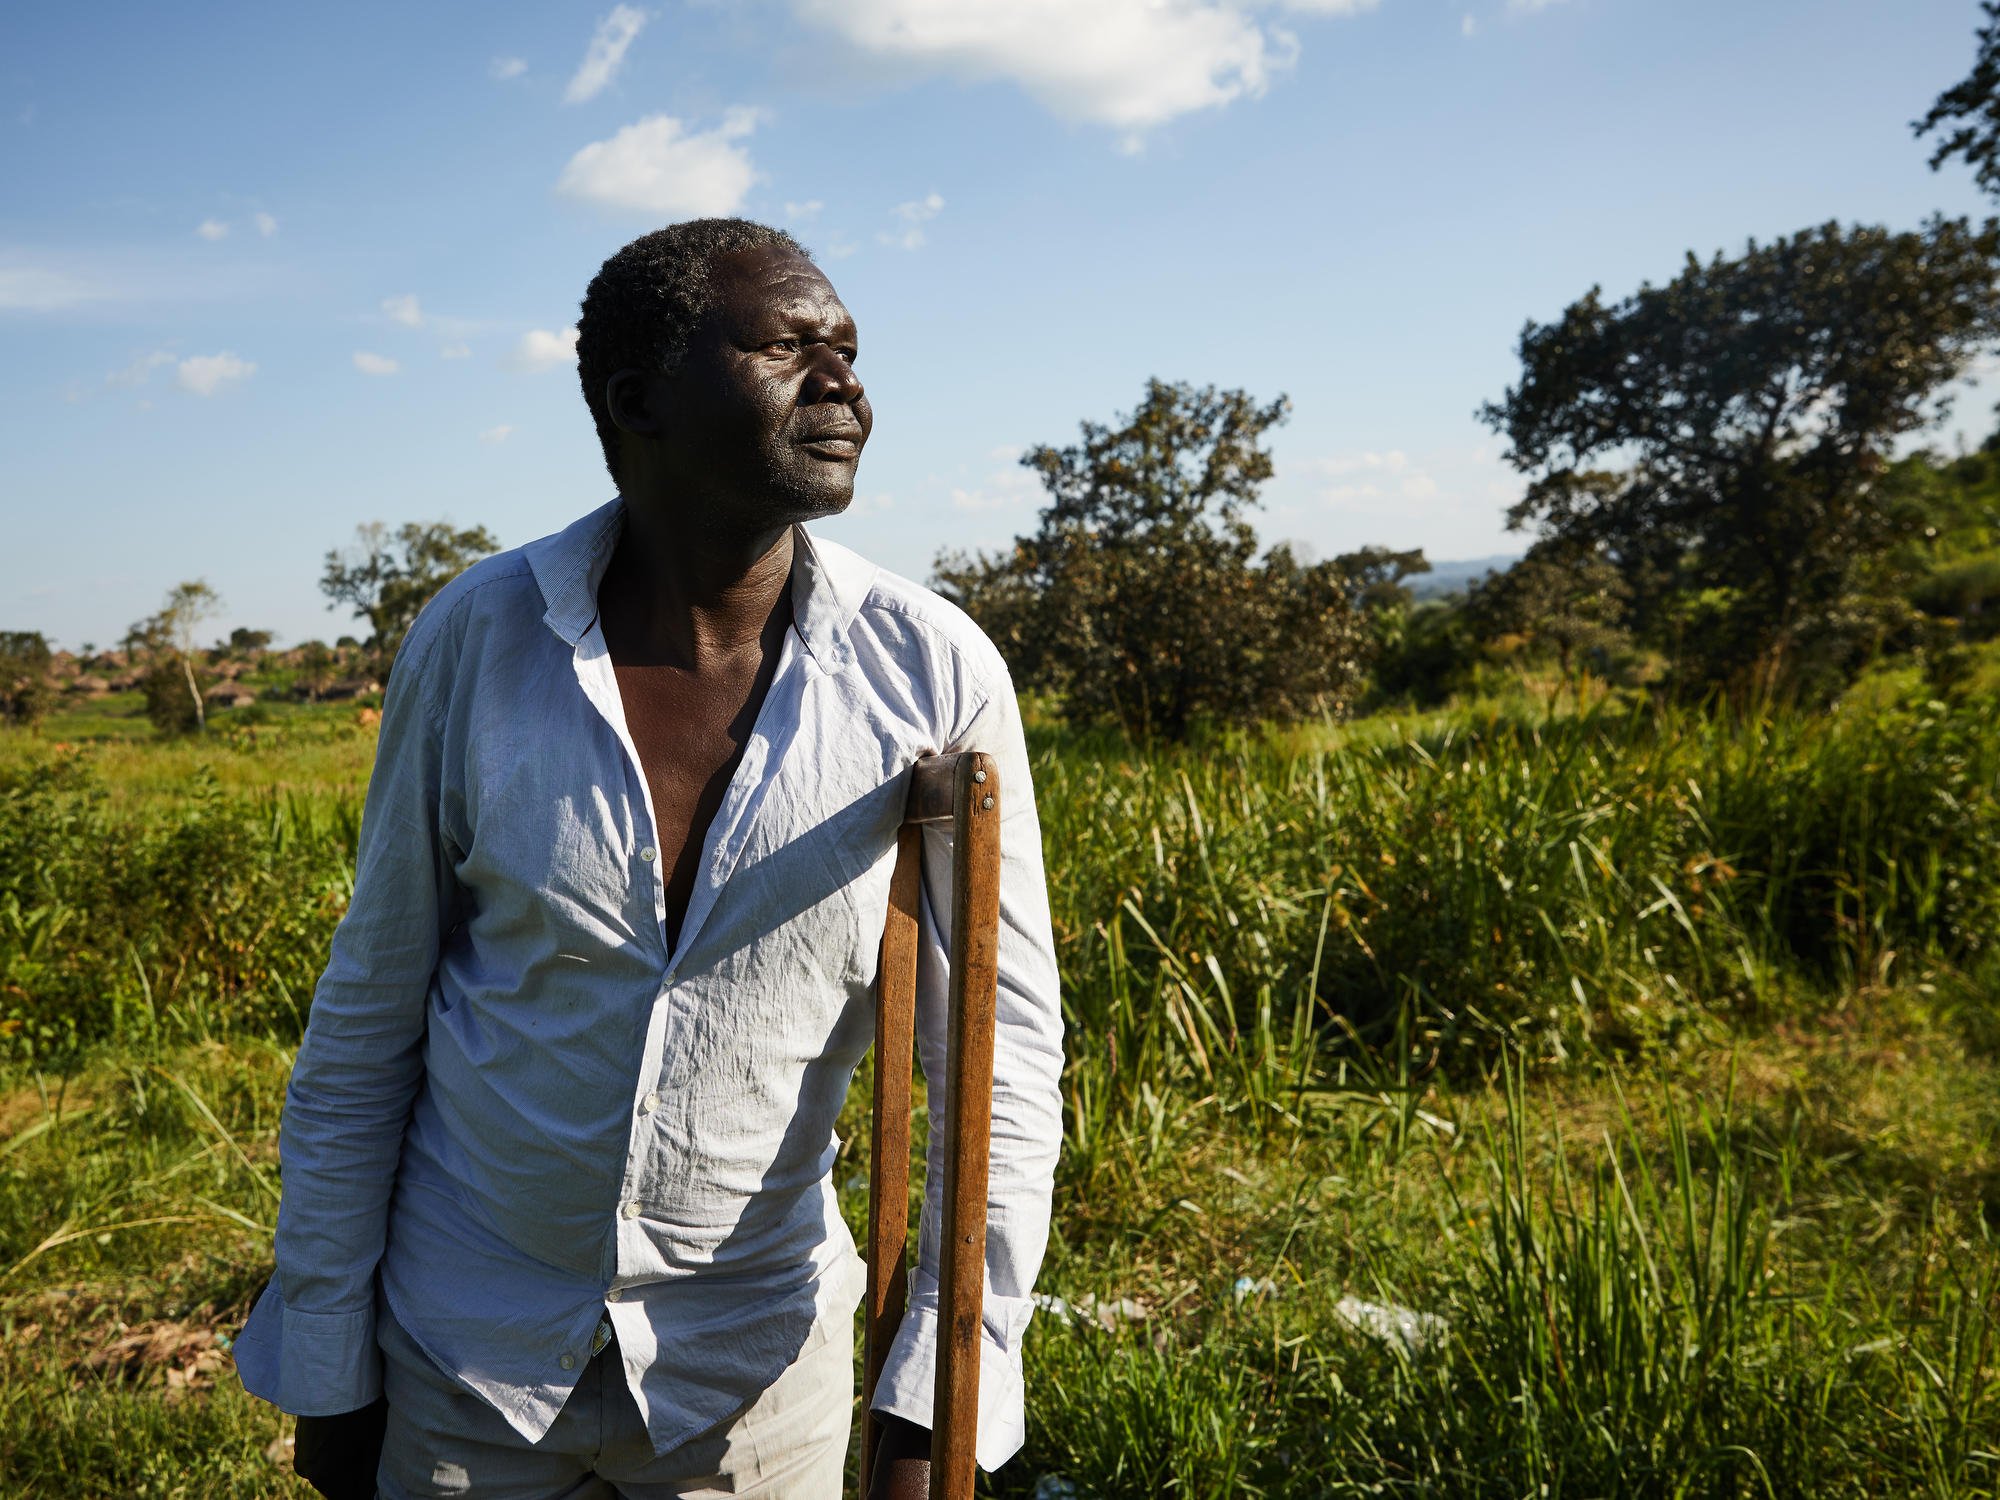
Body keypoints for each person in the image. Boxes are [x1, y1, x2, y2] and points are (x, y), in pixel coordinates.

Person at [232, 217, 1065, 1500]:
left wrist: (931, 1408)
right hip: (469, 1356)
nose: (843, 384)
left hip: (751, 1382)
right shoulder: (479, 639)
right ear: (640, 402)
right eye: (789, 347)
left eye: (847, 350)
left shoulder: (930, 671)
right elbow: (371, 1012)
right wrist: (329, 1356)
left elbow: (995, 1067)